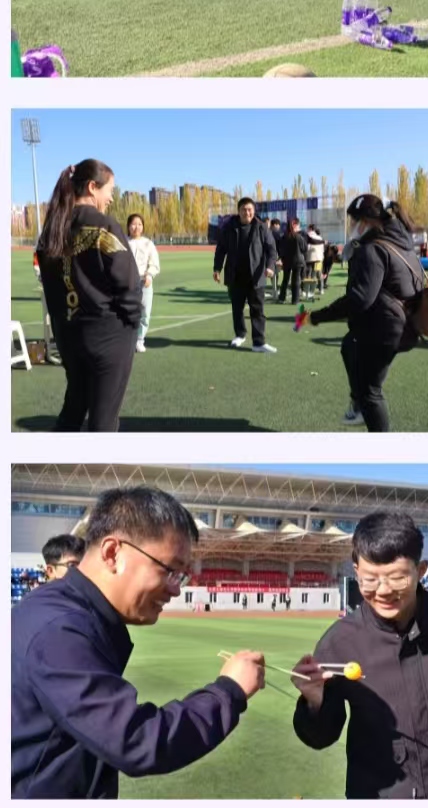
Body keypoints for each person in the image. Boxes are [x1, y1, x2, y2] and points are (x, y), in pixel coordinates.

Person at [11, 486, 265, 797]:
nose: (176, 589)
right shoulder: (59, 630)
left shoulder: (64, 611)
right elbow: (137, 739)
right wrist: (229, 690)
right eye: (169, 570)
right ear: (112, 553)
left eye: (181, 576)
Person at [292, 511, 428, 796]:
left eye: (398, 578)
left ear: (421, 570)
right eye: (370, 579)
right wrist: (314, 702)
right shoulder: (338, 643)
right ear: (356, 572)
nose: (384, 591)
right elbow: (321, 737)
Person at [36, 160, 141, 431]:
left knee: (72, 410)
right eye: (110, 190)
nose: (111, 198)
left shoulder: (51, 229)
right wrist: (131, 324)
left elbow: (50, 288)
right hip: (107, 338)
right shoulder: (104, 225)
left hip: (69, 337)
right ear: (93, 187)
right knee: (103, 422)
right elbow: (129, 285)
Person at [306, 196, 422, 432]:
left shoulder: (373, 249)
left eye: (354, 221)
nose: (352, 226)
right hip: (403, 325)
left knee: (371, 392)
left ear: (366, 221)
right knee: (349, 345)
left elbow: (360, 299)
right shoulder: (401, 243)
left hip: (384, 329)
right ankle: (358, 402)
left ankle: (366, 414)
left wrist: (317, 316)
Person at [213, 198, 278, 354]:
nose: (247, 213)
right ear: (239, 211)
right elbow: (221, 249)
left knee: (257, 310)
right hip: (235, 276)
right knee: (237, 309)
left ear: (254, 211)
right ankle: (240, 335)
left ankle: (258, 342)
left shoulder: (262, 227)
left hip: (256, 277)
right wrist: (217, 268)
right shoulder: (229, 228)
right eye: (243, 209)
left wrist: (270, 266)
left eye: (249, 209)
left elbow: (271, 249)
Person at [126, 214, 160, 354]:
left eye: (139, 224)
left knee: (144, 312)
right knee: (127, 311)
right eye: (133, 224)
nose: (136, 227)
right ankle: (128, 339)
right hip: (127, 282)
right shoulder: (123, 242)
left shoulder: (148, 244)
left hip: (144, 282)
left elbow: (154, 263)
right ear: (128, 226)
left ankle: (140, 340)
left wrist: (150, 274)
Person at [277, 217, 308, 305]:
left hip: (287, 260)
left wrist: (282, 257)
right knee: (296, 280)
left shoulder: (284, 237)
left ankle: (282, 298)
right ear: (294, 226)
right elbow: (305, 248)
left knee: (285, 279)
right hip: (298, 261)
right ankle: (295, 300)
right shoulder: (298, 237)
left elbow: (280, 249)